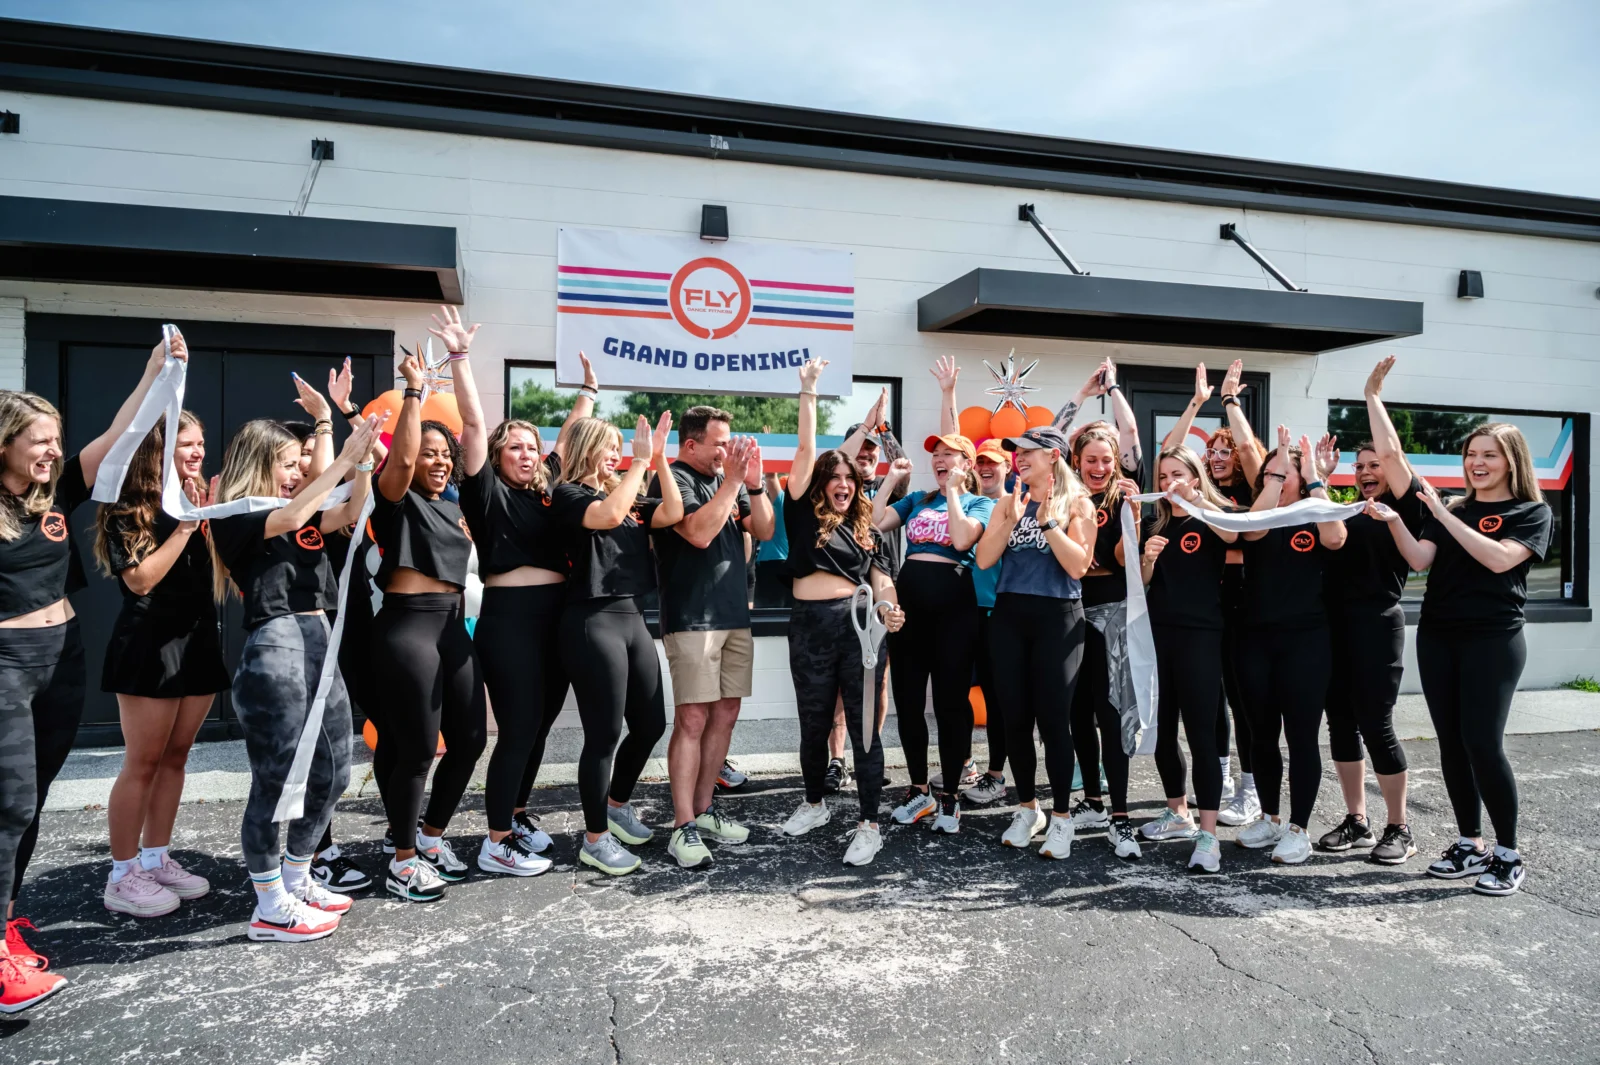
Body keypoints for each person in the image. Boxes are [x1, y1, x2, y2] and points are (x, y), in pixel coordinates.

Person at [0, 330, 187, 1009]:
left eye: (54, 439)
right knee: (10, 799)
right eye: (39, 441)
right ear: (4, 445)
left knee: (31, 798)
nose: (53, 450)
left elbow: (118, 433)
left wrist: (151, 374)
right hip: (7, 665)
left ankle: (8, 912)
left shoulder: (52, 498)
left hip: (62, 659)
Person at [208, 408, 380, 942]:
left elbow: (350, 508)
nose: (294, 471)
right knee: (276, 781)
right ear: (259, 463)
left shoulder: (299, 511)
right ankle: (268, 905)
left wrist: (365, 467)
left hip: (319, 640)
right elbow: (286, 518)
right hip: (276, 644)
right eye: (285, 463)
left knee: (336, 773)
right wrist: (343, 458)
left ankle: (297, 878)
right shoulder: (235, 513)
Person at [1372, 422, 1551, 897]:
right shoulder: (1453, 507)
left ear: (1511, 460)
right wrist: (1395, 521)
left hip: (1493, 640)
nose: (1478, 463)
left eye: (1489, 455)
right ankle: (1469, 843)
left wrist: (1447, 514)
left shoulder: (1531, 511)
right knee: (1451, 743)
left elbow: (1497, 559)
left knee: (1483, 744)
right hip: (1438, 636)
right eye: (1472, 454)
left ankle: (1508, 853)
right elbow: (1418, 560)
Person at [447, 311, 594, 878]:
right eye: (516, 447)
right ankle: (495, 840)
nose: (527, 454)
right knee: (516, 728)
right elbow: (473, 424)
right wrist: (461, 360)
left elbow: (567, 439)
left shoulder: (548, 492)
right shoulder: (485, 494)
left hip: (555, 619)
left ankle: (517, 812)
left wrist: (586, 392)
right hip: (510, 620)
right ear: (497, 455)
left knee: (538, 727)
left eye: (532, 448)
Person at [95, 411, 229, 917]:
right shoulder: (129, 507)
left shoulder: (192, 501)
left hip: (196, 640)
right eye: (185, 445)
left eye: (200, 443)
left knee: (176, 758)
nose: (197, 453)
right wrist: (187, 527)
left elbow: (215, 572)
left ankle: (155, 858)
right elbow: (141, 581)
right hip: (149, 644)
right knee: (143, 761)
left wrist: (210, 520)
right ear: (158, 450)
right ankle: (122, 872)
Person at [368, 351, 490, 898]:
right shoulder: (394, 499)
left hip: (451, 628)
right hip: (407, 630)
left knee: (468, 740)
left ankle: (431, 836)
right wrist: (414, 393)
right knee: (416, 749)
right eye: (429, 454)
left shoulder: (455, 504)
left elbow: (473, 445)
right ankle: (402, 859)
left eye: (446, 455)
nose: (439, 462)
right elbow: (397, 462)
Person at [779, 359, 904, 867]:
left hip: (857, 628)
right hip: (808, 627)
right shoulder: (801, 509)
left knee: (864, 728)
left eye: (848, 477)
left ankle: (869, 824)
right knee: (813, 726)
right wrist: (808, 393)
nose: (842, 482)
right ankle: (815, 805)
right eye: (832, 478)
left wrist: (891, 608)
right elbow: (811, 451)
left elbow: (880, 577)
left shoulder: (865, 525)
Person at [552, 411, 682, 876]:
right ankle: (594, 839)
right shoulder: (569, 495)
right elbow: (605, 516)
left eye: (619, 447)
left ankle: (616, 804)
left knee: (650, 724)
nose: (617, 453)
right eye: (609, 446)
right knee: (604, 735)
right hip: (592, 618)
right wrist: (639, 464)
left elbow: (673, 511)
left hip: (632, 618)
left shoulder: (627, 495)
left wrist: (660, 460)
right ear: (588, 447)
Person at [647, 407, 773, 869]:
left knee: (726, 713)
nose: (727, 451)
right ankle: (681, 826)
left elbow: (763, 529)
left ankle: (703, 810)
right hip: (691, 617)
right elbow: (699, 533)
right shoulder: (671, 479)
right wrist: (734, 482)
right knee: (693, 720)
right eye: (718, 443)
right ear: (691, 445)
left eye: (729, 442)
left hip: (734, 614)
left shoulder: (729, 482)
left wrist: (754, 482)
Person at [1316, 355, 1425, 865]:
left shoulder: (1401, 509)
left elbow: (1394, 453)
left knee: (1376, 724)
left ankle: (1400, 827)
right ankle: (1357, 819)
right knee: (1339, 723)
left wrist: (1371, 396)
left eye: (1372, 465)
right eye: (1358, 467)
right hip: (1333, 631)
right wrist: (1320, 478)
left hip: (1379, 629)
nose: (1364, 472)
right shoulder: (1341, 511)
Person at [975, 425, 1095, 859]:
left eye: (1028, 452)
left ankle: (1061, 818)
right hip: (1009, 615)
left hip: (1057, 618)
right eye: (1016, 452)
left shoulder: (1078, 503)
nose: (1019, 458)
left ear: (1054, 457)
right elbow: (985, 559)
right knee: (1014, 720)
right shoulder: (1009, 502)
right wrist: (1009, 518)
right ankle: (1028, 809)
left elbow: (1078, 566)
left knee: (1053, 720)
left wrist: (1045, 521)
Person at [1233, 426, 1347, 865]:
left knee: (1301, 736)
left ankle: (1299, 829)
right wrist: (1279, 468)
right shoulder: (1258, 513)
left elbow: (1336, 538)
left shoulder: (1315, 515)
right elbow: (1253, 531)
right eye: (1267, 474)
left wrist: (1314, 476)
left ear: (1303, 479)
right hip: (1254, 638)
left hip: (1306, 641)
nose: (1274, 479)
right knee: (1261, 735)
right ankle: (1271, 817)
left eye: (1284, 473)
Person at [1160, 360, 1264, 825]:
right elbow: (1172, 453)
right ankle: (1217, 781)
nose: (1220, 457)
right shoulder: (1179, 502)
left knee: (1242, 704)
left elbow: (1238, 542)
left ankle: (1252, 787)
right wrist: (1196, 403)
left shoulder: (1238, 501)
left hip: (1241, 614)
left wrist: (1228, 402)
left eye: (1227, 452)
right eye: (1213, 452)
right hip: (1204, 614)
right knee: (1211, 708)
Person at [873, 431, 992, 833]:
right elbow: (875, 522)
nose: (939, 460)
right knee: (908, 703)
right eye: (936, 455)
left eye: (949, 455)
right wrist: (890, 480)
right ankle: (919, 789)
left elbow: (961, 539)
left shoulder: (981, 502)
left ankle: (951, 796)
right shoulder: (918, 499)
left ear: (968, 464)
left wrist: (955, 493)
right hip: (909, 611)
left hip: (956, 611)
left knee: (950, 705)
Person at [1058, 360, 1145, 859]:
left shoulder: (1123, 492)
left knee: (1112, 716)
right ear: (1076, 459)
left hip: (1111, 613)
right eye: (1089, 459)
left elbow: (1130, 431)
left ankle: (1120, 815)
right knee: (1076, 715)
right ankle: (1090, 798)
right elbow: (1050, 436)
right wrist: (1080, 392)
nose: (1098, 467)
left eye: (1105, 460)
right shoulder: (1066, 491)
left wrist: (1111, 388)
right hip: (1069, 613)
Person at [1139, 446, 1238, 873]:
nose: (1168, 483)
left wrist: (1201, 504)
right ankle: (1177, 812)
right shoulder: (1154, 521)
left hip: (1201, 637)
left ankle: (1209, 835)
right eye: (1162, 476)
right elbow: (1142, 583)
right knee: (1161, 732)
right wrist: (1147, 559)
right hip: (1159, 636)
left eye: (1177, 474)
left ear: (1196, 477)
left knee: (1201, 735)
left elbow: (1235, 537)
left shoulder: (1214, 516)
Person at [931, 355, 1009, 806]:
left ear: (1007, 467)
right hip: (960, 611)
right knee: (955, 691)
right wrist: (948, 394)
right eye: (978, 462)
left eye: (992, 462)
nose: (983, 466)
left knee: (997, 696)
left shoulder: (1004, 504)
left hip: (996, 612)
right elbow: (953, 449)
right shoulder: (961, 499)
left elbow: (954, 454)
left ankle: (996, 773)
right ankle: (964, 763)